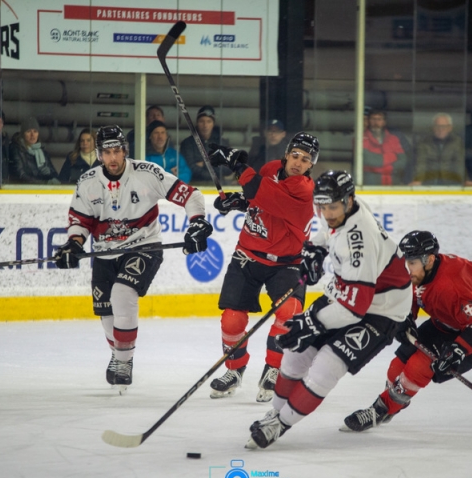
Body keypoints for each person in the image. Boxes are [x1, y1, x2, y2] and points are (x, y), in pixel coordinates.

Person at [245, 170, 412, 449]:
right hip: (349, 294)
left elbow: (354, 310)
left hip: (381, 310)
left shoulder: (361, 243)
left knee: (326, 366)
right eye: (321, 206)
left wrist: (310, 324)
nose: (326, 213)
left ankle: (280, 424)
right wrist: (315, 248)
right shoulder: (346, 210)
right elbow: (328, 230)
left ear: (348, 200)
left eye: (332, 206)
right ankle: (274, 412)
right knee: (295, 353)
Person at [53, 125, 212, 393]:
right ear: (99, 154)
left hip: (144, 246)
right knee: (106, 313)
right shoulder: (87, 181)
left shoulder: (147, 173)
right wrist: (73, 243)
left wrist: (197, 223)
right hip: (105, 252)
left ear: (125, 150)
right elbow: (80, 221)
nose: (113, 158)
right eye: (107, 152)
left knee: (123, 293)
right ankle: (119, 355)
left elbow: (191, 195)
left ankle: (124, 362)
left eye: (117, 151)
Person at [341, 230, 472, 433]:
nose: (407, 269)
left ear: (430, 259)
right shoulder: (421, 272)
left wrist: (458, 350)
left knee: (418, 368)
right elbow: (408, 292)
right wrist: (404, 317)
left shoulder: (453, 288)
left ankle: (380, 410)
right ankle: (394, 401)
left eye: (412, 262)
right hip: (450, 321)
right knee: (396, 367)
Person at [206, 132, 319, 403]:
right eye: (295, 155)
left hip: (288, 262)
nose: (298, 162)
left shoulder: (304, 189)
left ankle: (274, 369)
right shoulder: (269, 170)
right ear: (286, 154)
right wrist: (239, 202)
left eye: (306, 160)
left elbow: (262, 192)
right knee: (232, 319)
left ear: (310, 166)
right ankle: (234, 370)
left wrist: (237, 165)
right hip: (248, 254)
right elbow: (257, 198)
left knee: (288, 313)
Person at [180, 105, 230, 185]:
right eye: (201, 121)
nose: (205, 125)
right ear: (197, 123)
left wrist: (204, 164)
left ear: (213, 123)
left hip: (219, 186)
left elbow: (228, 169)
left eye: (209, 121)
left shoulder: (222, 143)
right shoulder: (187, 144)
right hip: (194, 185)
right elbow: (188, 168)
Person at [412, 113, 467, 186]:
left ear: (450, 128)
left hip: (451, 182)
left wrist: (464, 180)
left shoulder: (457, 142)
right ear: (433, 128)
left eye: (444, 126)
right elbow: (421, 163)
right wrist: (418, 180)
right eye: (437, 126)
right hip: (429, 182)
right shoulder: (424, 142)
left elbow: (459, 163)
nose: (441, 129)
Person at [8, 117, 60, 184]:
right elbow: (20, 175)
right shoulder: (16, 150)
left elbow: (54, 173)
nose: (32, 135)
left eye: (35, 131)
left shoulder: (43, 152)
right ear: (23, 134)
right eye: (28, 131)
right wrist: (44, 183)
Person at [362, 109, 407, 186]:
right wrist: (391, 157)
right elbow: (366, 159)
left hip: (393, 182)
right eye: (373, 119)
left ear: (384, 122)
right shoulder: (361, 138)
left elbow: (403, 160)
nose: (376, 122)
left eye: (379, 119)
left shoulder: (394, 139)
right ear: (369, 121)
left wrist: (378, 165)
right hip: (369, 183)